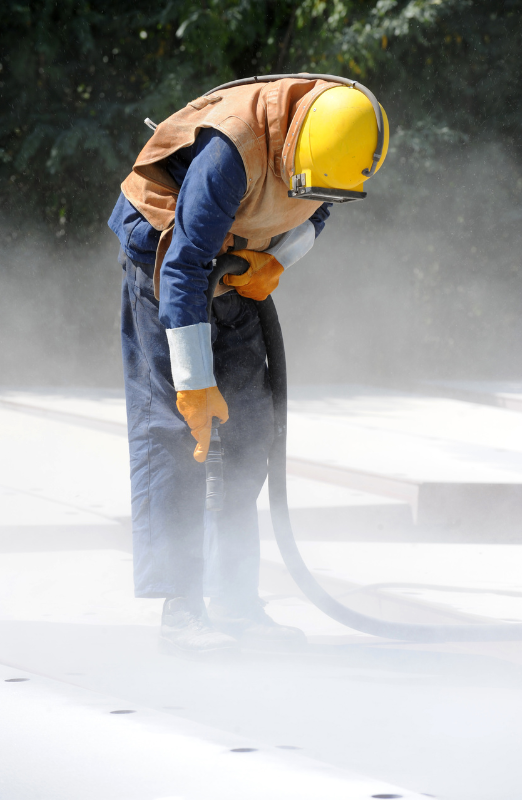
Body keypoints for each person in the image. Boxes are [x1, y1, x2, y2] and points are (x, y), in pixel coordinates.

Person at [108, 75, 389, 657]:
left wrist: (274, 260)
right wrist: (193, 384)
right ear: (295, 147)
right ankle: (181, 609)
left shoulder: (339, 149)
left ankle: (235, 599)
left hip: (230, 260)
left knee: (249, 427)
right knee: (180, 433)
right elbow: (184, 266)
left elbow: (316, 210)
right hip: (166, 256)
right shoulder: (231, 152)